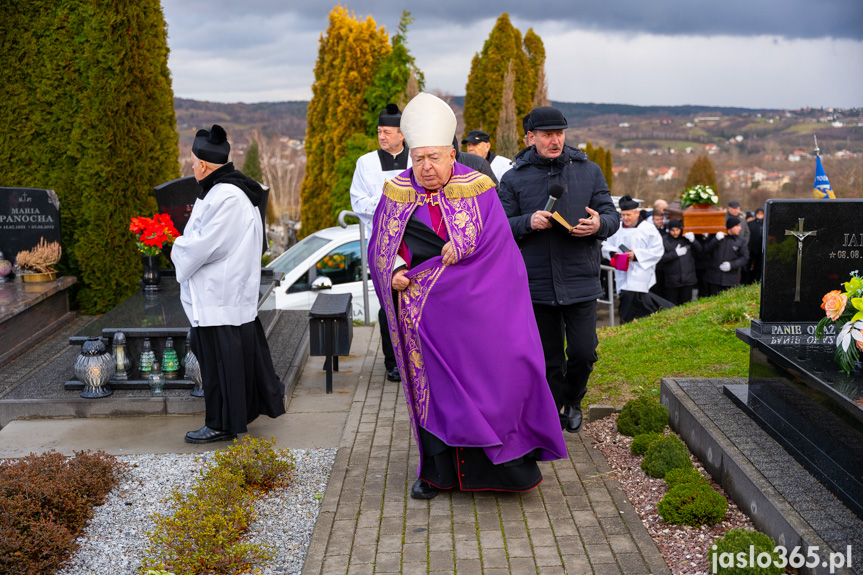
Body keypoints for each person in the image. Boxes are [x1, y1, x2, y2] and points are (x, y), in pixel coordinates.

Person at [368, 93, 566, 500]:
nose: (426, 167)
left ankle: (503, 474)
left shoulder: (478, 189)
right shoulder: (395, 192)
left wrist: (466, 248)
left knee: (494, 386)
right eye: (419, 158)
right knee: (437, 397)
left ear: (452, 154)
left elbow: (501, 250)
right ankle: (438, 475)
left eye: (435, 158)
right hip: (426, 322)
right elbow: (381, 247)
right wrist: (395, 270)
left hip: (480, 316)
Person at [497, 105, 619, 434]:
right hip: (536, 284)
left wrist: (598, 225)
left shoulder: (589, 171)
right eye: (548, 134)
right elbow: (499, 226)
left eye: (560, 133)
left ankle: (574, 398)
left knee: (583, 352)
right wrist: (528, 221)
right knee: (550, 358)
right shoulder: (513, 178)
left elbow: (611, 214)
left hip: (581, 277)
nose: (555, 140)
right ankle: (552, 411)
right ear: (530, 138)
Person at [172, 125, 285, 444]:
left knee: (221, 369)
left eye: (193, 161)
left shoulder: (226, 197)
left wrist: (177, 246)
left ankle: (221, 424)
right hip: (223, 298)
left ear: (204, 166)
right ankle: (226, 420)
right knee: (225, 366)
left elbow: (202, 245)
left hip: (220, 298)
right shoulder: (226, 190)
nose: (191, 166)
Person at [349, 104, 410, 382]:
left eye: (387, 132)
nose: (381, 137)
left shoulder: (415, 160)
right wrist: (390, 203)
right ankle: (393, 361)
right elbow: (359, 202)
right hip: (383, 243)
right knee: (390, 307)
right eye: (379, 132)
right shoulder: (366, 163)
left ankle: (418, 358)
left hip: (413, 243)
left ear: (402, 134)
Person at [601, 195, 666, 323]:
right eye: (623, 215)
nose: (625, 218)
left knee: (637, 301)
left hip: (641, 272)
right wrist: (615, 254)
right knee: (627, 299)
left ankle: (631, 323)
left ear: (637, 213)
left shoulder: (648, 229)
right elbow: (606, 245)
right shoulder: (617, 228)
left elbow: (658, 250)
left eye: (628, 215)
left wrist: (635, 255)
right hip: (622, 272)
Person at [702, 216, 750, 296]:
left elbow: (745, 258)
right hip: (714, 279)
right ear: (730, 227)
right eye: (737, 226)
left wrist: (731, 265)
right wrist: (715, 239)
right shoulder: (718, 238)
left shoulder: (741, 241)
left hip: (731, 279)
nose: (740, 228)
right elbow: (706, 250)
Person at [659, 219, 701, 305]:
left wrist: (693, 241)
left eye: (677, 230)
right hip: (672, 280)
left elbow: (700, 250)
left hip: (688, 279)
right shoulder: (664, 240)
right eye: (672, 230)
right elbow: (661, 258)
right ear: (669, 230)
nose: (675, 233)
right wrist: (675, 253)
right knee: (671, 305)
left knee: (686, 305)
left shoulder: (686, 238)